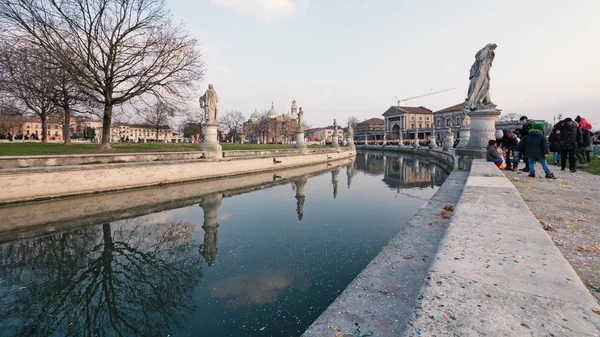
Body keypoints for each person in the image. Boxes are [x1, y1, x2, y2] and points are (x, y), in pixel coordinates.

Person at [463, 43, 497, 111]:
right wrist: (488, 52)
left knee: (485, 86)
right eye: (492, 49)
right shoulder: (485, 51)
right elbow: (481, 58)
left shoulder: (488, 53)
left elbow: (488, 65)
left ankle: (487, 101)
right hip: (481, 73)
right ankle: (477, 102)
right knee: (481, 87)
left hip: (483, 72)